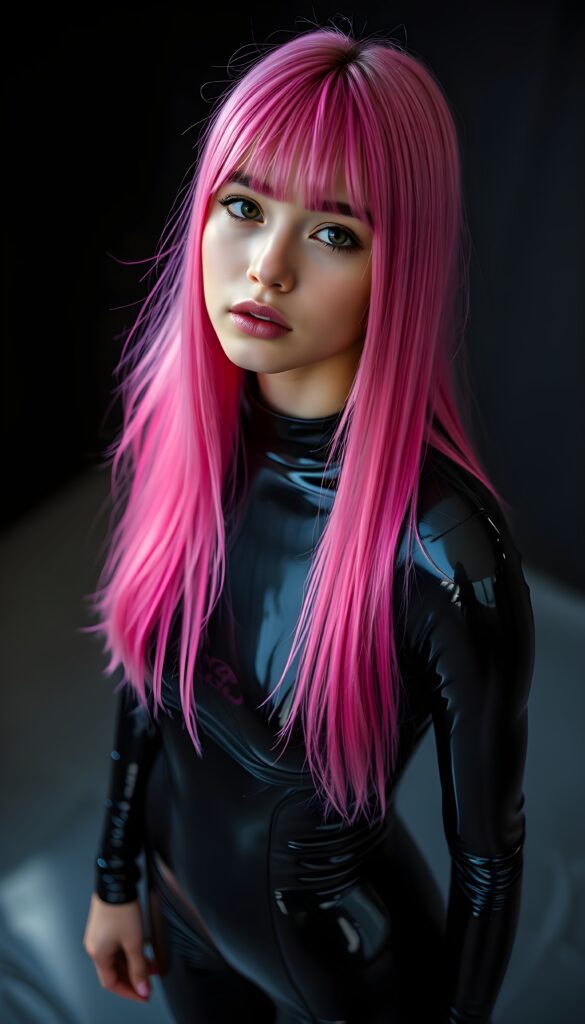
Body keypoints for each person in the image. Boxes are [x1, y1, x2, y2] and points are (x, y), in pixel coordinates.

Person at [82, 22, 535, 1024]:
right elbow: (148, 681)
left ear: (398, 266)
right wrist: (118, 871)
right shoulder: (190, 441)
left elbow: (488, 855)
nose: (267, 267)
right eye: (243, 206)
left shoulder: (447, 550)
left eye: (334, 232)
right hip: (181, 916)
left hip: (349, 970)